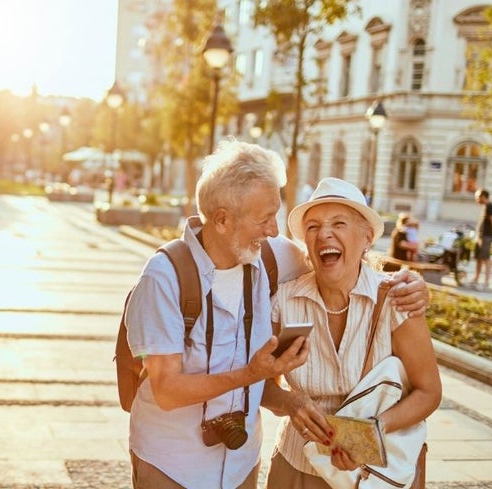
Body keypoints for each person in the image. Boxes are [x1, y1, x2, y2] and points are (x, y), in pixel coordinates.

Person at [124, 140, 430, 489]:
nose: (273, 230)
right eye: (265, 218)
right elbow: (167, 391)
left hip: (240, 464)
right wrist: (252, 375)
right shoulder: (164, 278)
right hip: (171, 463)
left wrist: (411, 283)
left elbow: (338, 260)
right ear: (222, 220)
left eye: (276, 215)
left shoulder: (273, 257)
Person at [261, 177, 442, 488]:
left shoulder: (395, 301)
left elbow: (429, 392)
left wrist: (368, 433)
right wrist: (289, 403)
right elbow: (263, 382)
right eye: (313, 227)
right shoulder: (285, 304)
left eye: (339, 223)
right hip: (297, 467)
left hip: (375, 473)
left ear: (367, 237)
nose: (324, 234)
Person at [470, 188, 492, 290]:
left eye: (477, 197)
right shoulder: (485, 207)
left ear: (483, 197)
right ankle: (476, 279)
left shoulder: (490, 207)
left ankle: (486, 282)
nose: (476, 200)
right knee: (478, 259)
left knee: (486, 259)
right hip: (480, 237)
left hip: (486, 237)